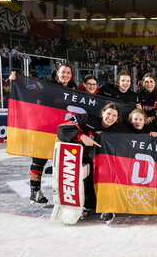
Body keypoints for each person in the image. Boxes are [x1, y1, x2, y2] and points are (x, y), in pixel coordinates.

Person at [57, 103, 123, 210]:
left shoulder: (118, 129)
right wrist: (81, 136)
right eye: (108, 113)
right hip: (79, 159)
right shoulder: (87, 119)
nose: (110, 118)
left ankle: (93, 204)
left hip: (100, 163)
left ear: (117, 118)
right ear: (103, 113)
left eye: (114, 116)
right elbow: (62, 129)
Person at [29, 63, 76, 205]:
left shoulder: (74, 88)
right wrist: (14, 80)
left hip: (64, 130)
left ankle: (63, 194)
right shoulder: (48, 85)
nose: (66, 75)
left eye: (68, 72)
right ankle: (35, 191)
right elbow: (27, 89)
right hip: (44, 127)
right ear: (57, 74)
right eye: (63, 72)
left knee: (64, 160)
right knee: (39, 160)